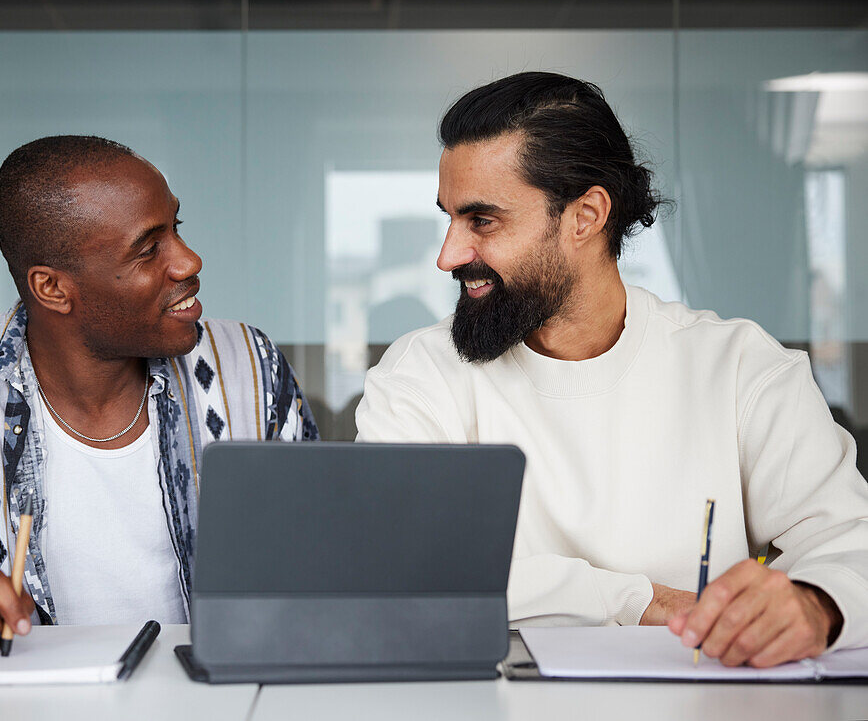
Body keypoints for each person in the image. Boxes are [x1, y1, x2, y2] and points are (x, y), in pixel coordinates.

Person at [356, 72, 868, 668]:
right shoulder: (421, 375)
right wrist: (640, 600)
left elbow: (850, 543)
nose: (448, 254)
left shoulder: (741, 370)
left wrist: (814, 606)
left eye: (483, 221)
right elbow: (399, 568)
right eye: (450, 219)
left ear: (586, 216)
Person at [0, 136, 318, 653]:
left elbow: (319, 545)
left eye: (177, 228)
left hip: (210, 699)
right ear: (53, 289)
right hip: (21, 705)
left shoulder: (246, 364)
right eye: (149, 249)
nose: (188, 261)